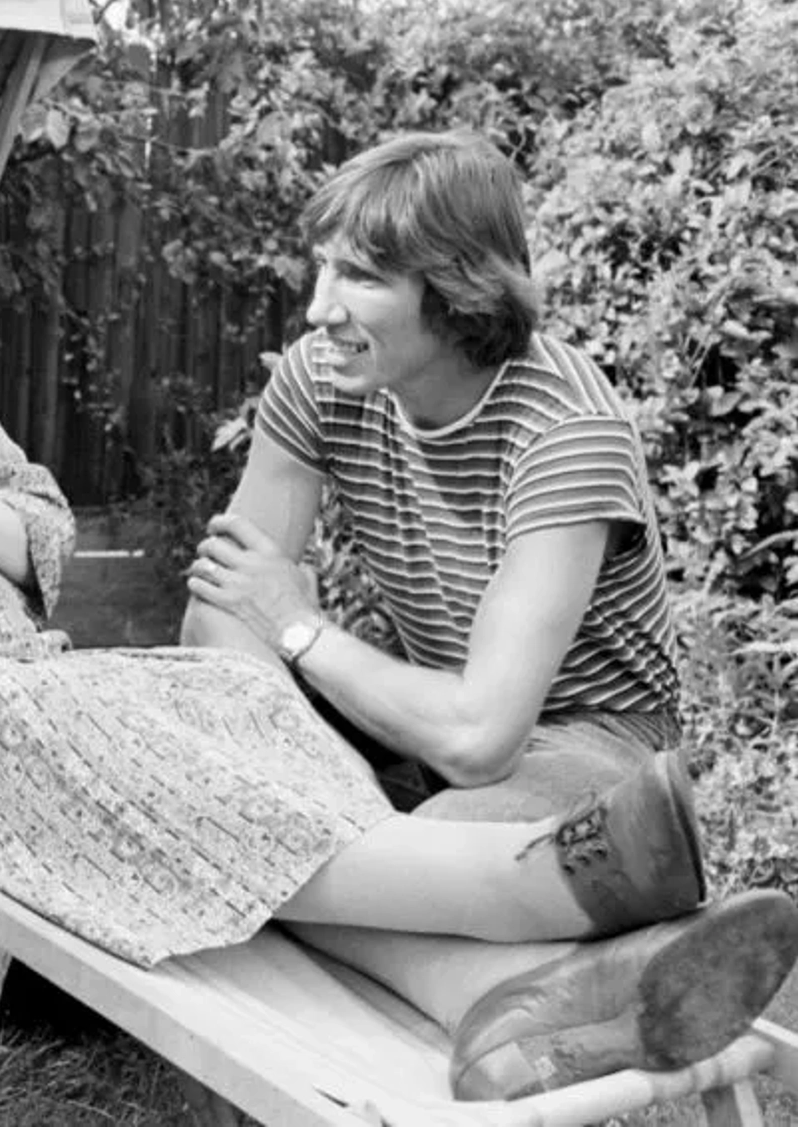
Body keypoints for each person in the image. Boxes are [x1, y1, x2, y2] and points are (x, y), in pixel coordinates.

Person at [0, 76, 798, 1104]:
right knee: (45, 726)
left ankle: (489, 1004)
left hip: (13, 684)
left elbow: (37, 507)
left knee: (215, 706)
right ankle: (519, 888)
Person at [179, 128, 798, 1097]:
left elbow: (479, 735)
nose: (318, 307)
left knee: (263, 844)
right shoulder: (320, 379)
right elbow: (219, 621)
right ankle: (540, 999)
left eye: (359, 279)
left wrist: (296, 631)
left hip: (587, 747)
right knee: (239, 785)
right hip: (422, 721)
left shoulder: (564, 429)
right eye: (322, 268)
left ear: (458, 290)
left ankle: (531, 922)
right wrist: (293, 774)